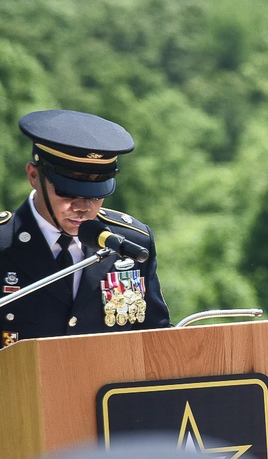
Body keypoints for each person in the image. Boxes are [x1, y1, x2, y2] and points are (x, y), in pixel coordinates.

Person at [0, 109, 170, 346]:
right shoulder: (3, 242)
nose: (82, 207)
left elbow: (156, 337)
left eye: (95, 194)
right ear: (33, 176)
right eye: (67, 192)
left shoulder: (129, 242)